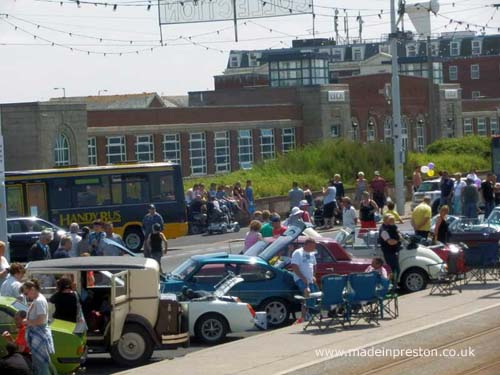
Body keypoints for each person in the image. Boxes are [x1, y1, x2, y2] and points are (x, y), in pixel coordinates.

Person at [24, 279, 55, 375]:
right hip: (39, 335)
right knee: (41, 365)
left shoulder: (39, 301)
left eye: (26, 293)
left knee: (41, 366)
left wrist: (28, 322)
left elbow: (41, 320)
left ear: (32, 289)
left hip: (39, 335)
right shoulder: (38, 299)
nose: (26, 296)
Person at [291, 238, 317, 322]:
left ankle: (310, 313)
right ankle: (306, 315)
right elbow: (294, 267)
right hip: (300, 278)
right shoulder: (298, 253)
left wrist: (313, 275)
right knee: (307, 292)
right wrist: (302, 277)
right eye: (312, 246)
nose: (314, 248)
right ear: (307, 245)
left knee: (313, 295)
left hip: (310, 279)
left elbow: (314, 265)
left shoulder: (312, 253)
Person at [378, 215, 401, 279]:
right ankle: (392, 285)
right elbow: (390, 242)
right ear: (386, 221)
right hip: (389, 252)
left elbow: (398, 231)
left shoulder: (391, 227)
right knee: (394, 270)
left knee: (396, 270)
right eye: (391, 220)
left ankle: (393, 283)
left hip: (393, 251)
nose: (393, 222)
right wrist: (399, 240)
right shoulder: (384, 230)